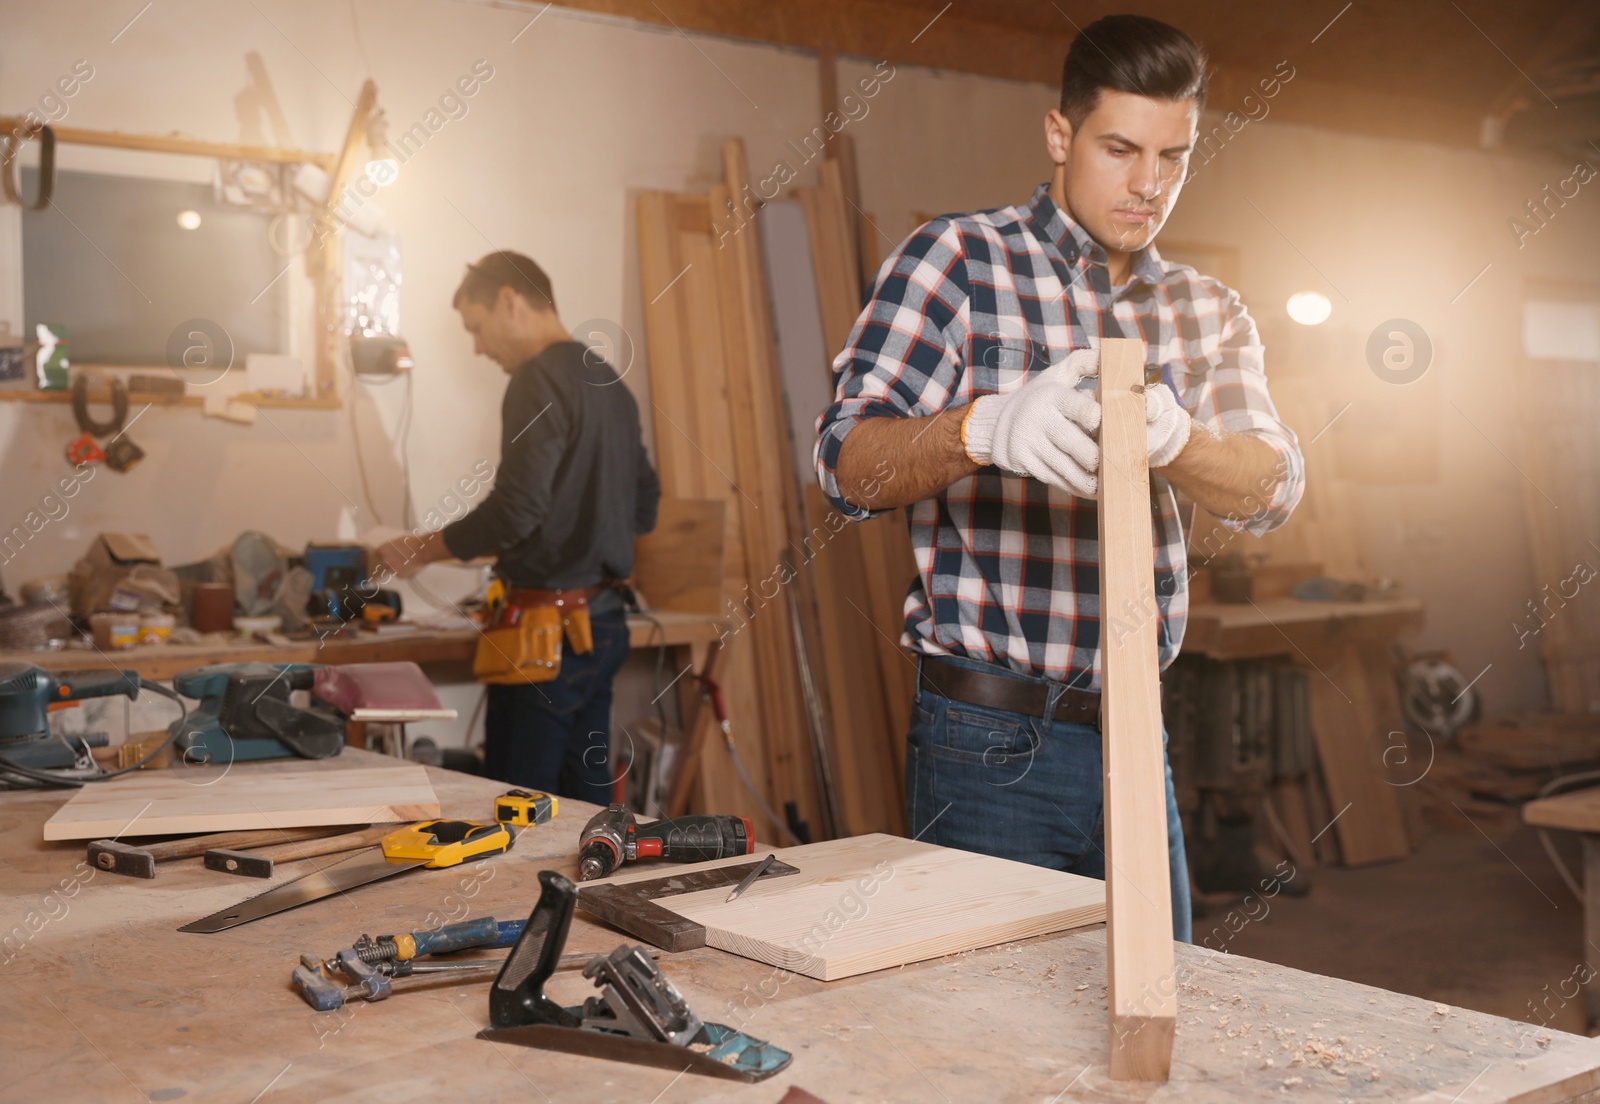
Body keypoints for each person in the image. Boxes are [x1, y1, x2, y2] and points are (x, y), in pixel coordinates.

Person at [813, 15, 1306, 943]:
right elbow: (846, 465)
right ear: (1058, 135)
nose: (1148, 184)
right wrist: (984, 426)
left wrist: (1179, 439)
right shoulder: (957, 261)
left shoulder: (1206, 311)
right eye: (1120, 149)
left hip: (1136, 734)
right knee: (987, 1042)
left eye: (1174, 155)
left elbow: (1273, 486)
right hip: (985, 741)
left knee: (1153, 1030)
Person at [376, 251, 660, 803]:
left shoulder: (537, 378)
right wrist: (582, 531)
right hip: (601, 628)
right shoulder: (608, 382)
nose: (479, 348)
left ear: (510, 302)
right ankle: (591, 891)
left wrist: (423, 550)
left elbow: (517, 509)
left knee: (516, 807)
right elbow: (645, 504)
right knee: (585, 806)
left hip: (544, 642)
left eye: (477, 329)